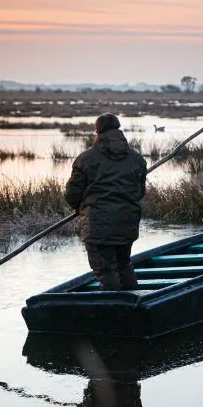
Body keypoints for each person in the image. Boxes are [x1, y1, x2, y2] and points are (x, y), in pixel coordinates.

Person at [65, 113, 147, 290]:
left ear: (97, 130)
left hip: (97, 224)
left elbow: (72, 194)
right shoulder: (137, 159)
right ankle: (135, 307)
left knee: (105, 271)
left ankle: (115, 311)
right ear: (118, 128)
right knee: (124, 265)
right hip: (127, 222)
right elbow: (139, 192)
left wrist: (80, 208)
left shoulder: (85, 159)